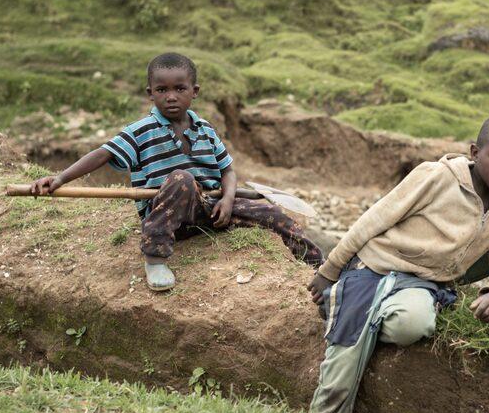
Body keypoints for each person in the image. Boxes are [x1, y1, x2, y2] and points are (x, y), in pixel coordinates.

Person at [306, 113, 489, 413]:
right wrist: (329, 271)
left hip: (424, 283)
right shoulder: (435, 177)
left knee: (413, 327)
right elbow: (374, 219)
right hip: (373, 267)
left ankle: (345, 306)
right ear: (475, 152)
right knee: (347, 348)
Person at [29, 52, 323, 291]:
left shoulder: (205, 129)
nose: (171, 96)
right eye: (162, 90)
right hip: (169, 216)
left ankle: (318, 265)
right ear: (150, 93)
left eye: (179, 89)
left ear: (194, 92)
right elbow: (103, 154)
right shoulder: (141, 131)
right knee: (182, 178)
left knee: (270, 213)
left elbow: (228, 170)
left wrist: (229, 199)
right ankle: (155, 257)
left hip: (209, 211)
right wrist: (59, 178)